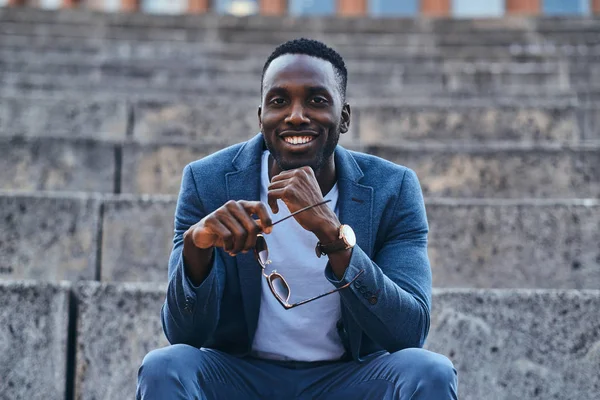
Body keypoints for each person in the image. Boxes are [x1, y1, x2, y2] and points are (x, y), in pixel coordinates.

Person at [136, 38, 458, 400]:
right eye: (279, 101)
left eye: (317, 101)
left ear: (345, 117)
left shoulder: (392, 189)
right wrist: (196, 251)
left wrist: (334, 236)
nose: (296, 115)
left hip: (348, 380)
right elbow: (184, 335)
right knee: (165, 366)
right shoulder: (206, 181)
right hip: (241, 379)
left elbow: (409, 332)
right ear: (261, 117)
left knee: (430, 371)